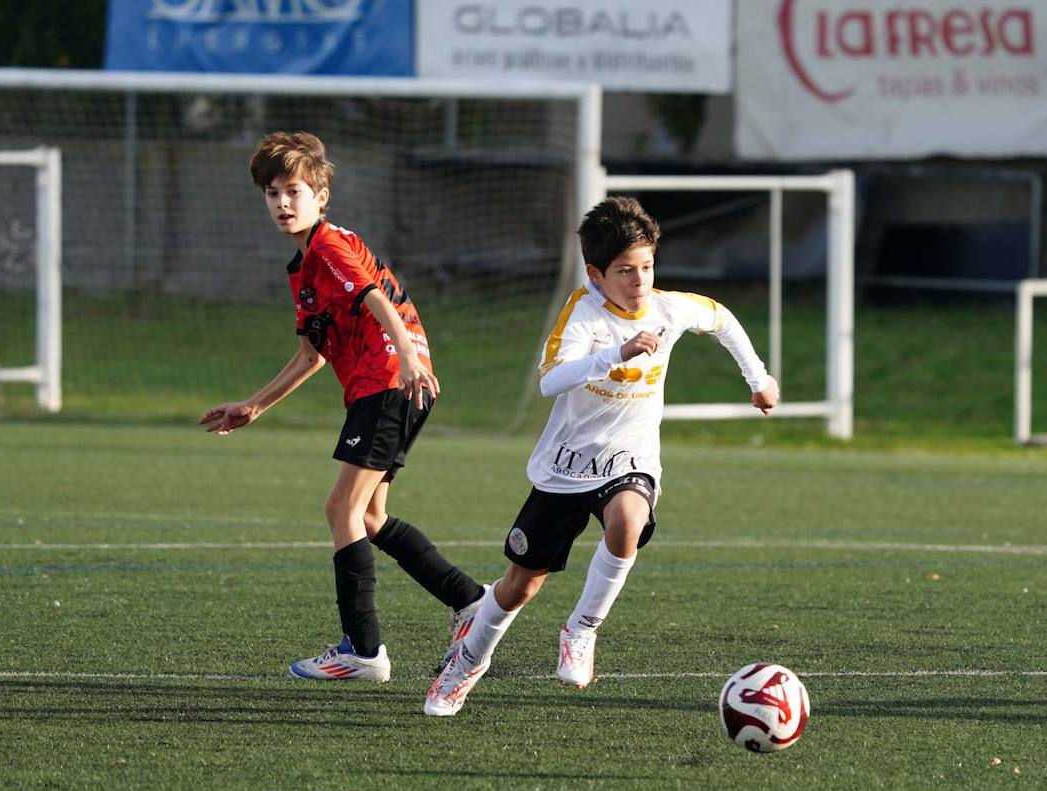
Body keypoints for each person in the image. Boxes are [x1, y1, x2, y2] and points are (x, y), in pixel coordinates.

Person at [424, 195, 780, 716]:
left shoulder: (668, 308)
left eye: (647, 267)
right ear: (596, 273)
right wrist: (616, 353)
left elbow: (721, 318)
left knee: (627, 522)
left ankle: (582, 628)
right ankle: (469, 662)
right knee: (519, 586)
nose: (640, 282)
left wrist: (760, 379)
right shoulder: (583, 313)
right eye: (625, 272)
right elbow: (551, 381)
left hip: (629, 460)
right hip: (565, 468)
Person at [199, 131, 485, 683]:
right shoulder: (303, 269)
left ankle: (363, 650)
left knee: (341, 512)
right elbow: (312, 354)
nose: (283, 203)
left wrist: (405, 354)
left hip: (390, 382)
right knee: (369, 516)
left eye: (294, 191)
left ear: (321, 195)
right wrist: (254, 406)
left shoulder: (329, 247)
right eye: (273, 193)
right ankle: (471, 603)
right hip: (390, 386)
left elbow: (374, 298)